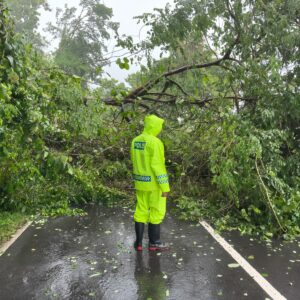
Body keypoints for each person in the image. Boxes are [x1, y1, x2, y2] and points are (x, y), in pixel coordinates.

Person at [131, 114, 170, 251]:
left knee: (141, 211)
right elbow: (158, 166)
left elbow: (134, 161)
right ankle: (155, 243)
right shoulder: (155, 142)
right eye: (160, 126)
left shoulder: (135, 141)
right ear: (154, 126)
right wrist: (165, 187)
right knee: (156, 211)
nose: (160, 129)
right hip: (154, 185)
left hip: (140, 182)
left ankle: (139, 243)